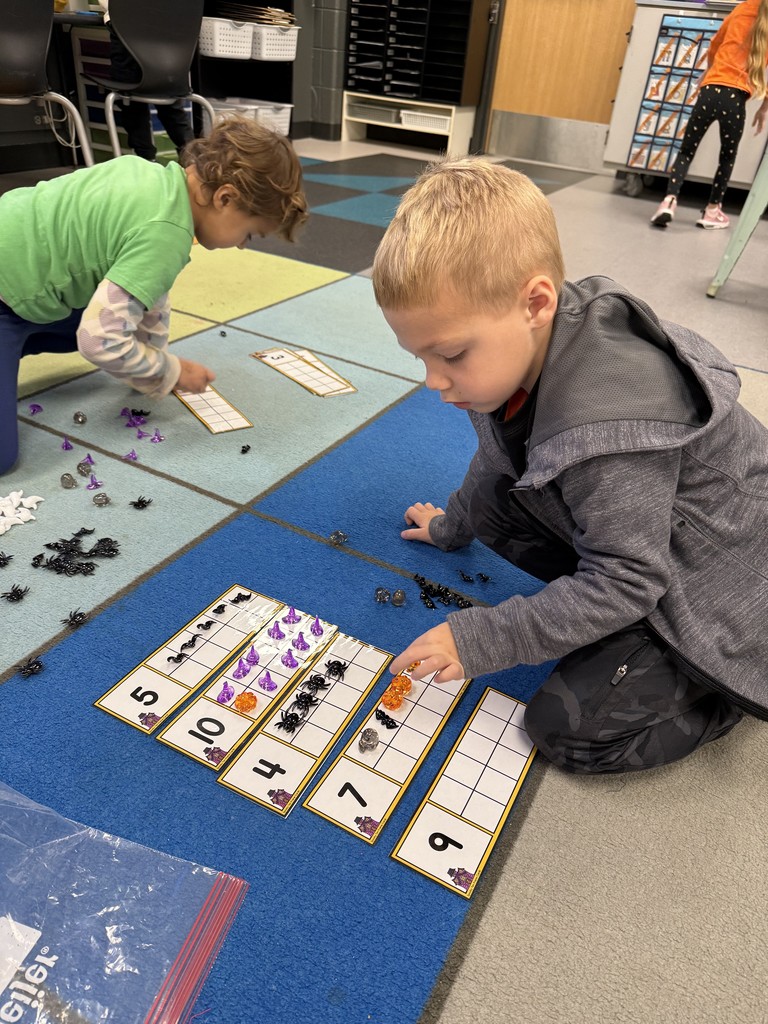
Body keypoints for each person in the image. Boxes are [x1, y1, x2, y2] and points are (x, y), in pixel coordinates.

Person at [372, 157, 768, 775]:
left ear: (535, 302)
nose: (434, 381)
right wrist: (454, 528)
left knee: (566, 732)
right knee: (504, 503)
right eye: (421, 355)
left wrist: (485, 638)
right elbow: (501, 458)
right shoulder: (519, 355)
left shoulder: (606, 428)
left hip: (730, 585)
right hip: (658, 541)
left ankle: (717, 685)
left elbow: (628, 580)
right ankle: (625, 628)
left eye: (449, 353)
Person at [0, 115, 307, 475]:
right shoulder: (166, 233)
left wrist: (151, 366)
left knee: (111, 319)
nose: (241, 246)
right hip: (7, 295)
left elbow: (148, 294)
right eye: (249, 234)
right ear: (225, 198)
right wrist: (170, 372)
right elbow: (98, 340)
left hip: (19, 267)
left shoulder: (154, 177)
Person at [651, 0, 768, 230]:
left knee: (686, 150)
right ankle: (712, 210)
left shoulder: (743, 7)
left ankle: (669, 201)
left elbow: (715, 44)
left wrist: (711, 72)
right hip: (735, 100)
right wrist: (764, 108)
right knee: (726, 157)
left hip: (709, 90)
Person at [98, 0, 193, 162]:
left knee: (131, 101)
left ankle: (146, 160)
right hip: (171, 65)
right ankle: (194, 160)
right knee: (171, 106)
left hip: (129, 53)